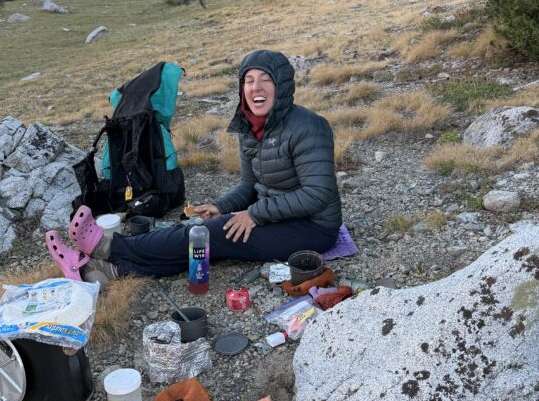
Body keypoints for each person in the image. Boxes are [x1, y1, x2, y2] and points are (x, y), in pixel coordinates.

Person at [45, 49, 343, 284]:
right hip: (276, 212)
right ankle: (97, 272)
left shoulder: (309, 127)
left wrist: (253, 214)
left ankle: (109, 246)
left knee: (213, 235)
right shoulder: (250, 127)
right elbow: (249, 185)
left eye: (265, 80)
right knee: (201, 235)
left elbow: (316, 194)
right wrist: (218, 205)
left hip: (313, 228)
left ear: (282, 87)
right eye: (249, 81)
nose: (256, 88)